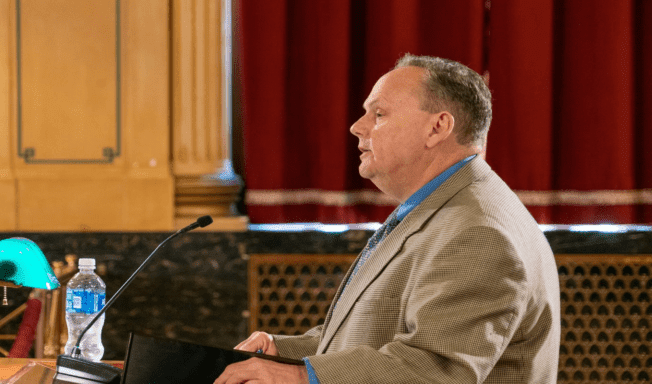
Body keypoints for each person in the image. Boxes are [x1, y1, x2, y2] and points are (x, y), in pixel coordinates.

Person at [215, 54, 560, 383]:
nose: (356, 127)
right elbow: (378, 333)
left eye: (379, 114)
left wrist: (300, 377)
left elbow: (434, 369)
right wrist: (283, 352)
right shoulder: (443, 205)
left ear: (437, 127)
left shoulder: (479, 232)